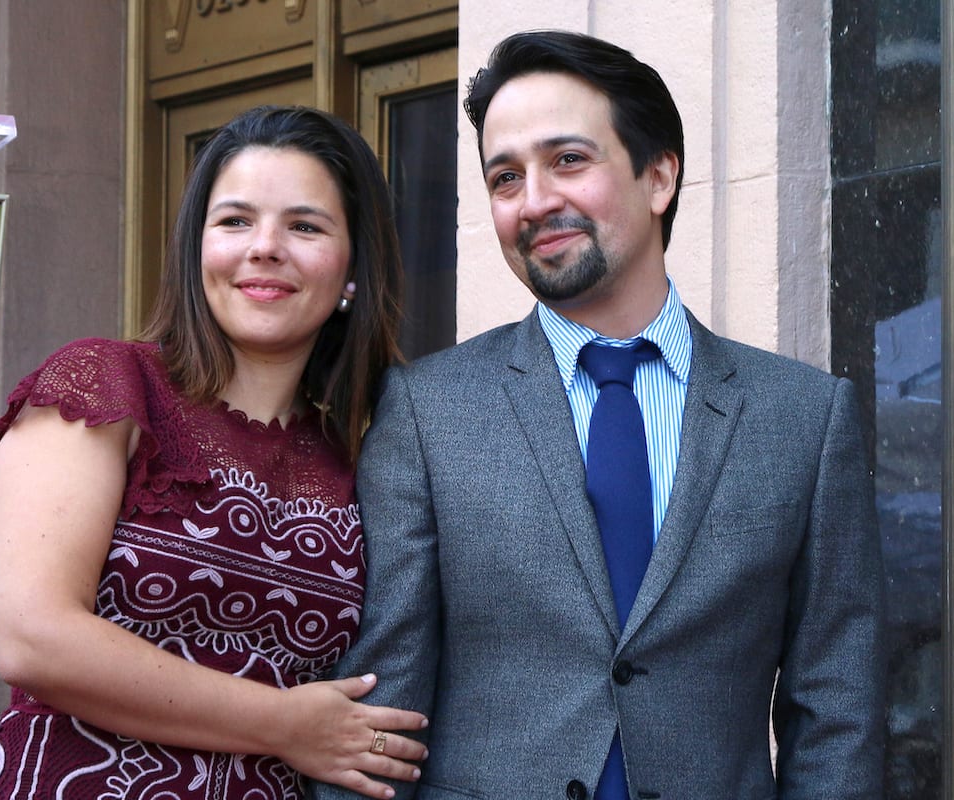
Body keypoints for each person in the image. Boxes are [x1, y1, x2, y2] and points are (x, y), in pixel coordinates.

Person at [314, 30, 886, 800]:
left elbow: (838, 710)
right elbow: (380, 711)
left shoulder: (804, 418)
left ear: (659, 177)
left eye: (568, 160)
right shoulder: (426, 412)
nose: (535, 200)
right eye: (506, 177)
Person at [0, 105, 429, 800]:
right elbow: (32, 637)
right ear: (196, 248)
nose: (265, 247)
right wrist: (285, 725)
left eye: (304, 226)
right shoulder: (106, 385)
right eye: (235, 221)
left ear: (354, 268)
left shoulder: (361, 454)